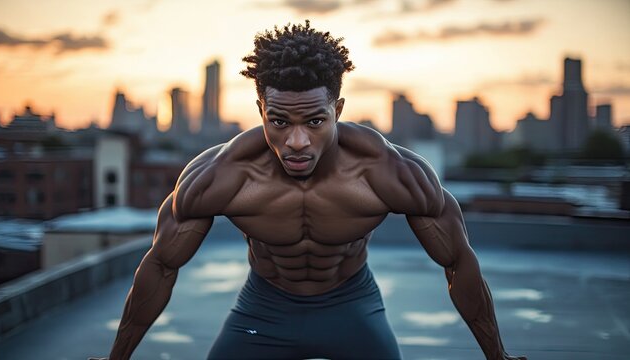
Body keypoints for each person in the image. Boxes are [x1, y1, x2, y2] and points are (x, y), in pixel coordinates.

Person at [99, 20, 526, 360]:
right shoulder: (220, 177)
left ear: (337, 110)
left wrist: (497, 356)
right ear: (261, 111)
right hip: (262, 309)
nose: (297, 142)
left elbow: (457, 262)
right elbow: (159, 266)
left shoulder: (389, 172)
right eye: (280, 122)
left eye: (315, 122)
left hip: (352, 306)